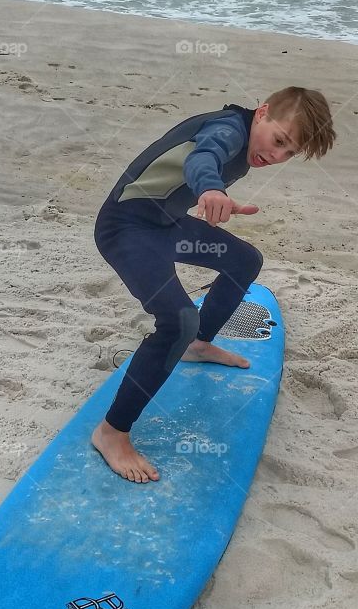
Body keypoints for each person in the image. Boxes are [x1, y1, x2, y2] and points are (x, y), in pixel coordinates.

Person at [91, 86, 335, 483]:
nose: (276, 156)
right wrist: (210, 188)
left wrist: (209, 191)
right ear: (263, 111)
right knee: (176, 319)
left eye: (288, 153)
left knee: (244, 261)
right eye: (278, 141)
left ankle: (197, 343)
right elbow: (204, 155)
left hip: (164, 226)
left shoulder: (247, 138)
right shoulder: (228, 129)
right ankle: (111, 432)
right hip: (126, 228)